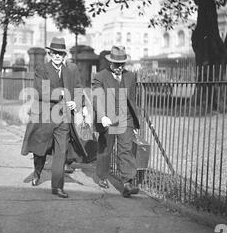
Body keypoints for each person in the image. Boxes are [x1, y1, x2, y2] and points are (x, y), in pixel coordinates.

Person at [21, 37, 85, 198]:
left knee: (61, 152)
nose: (57, 56)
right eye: (54, 53)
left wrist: (75, 103)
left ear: (64, 55)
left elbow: (78, 89)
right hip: (45, 116)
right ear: (50, 53)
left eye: (60, 53)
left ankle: (57, 187)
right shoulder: (42, 69)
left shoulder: (71, 70)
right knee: (40, 150)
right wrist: (62, 93)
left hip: (63, 118)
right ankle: (37, 172)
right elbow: (41, 92)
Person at [92, 46, 140, 198]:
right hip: (107, 119)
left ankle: (127, 183)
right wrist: (102, 116)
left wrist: (133, 123)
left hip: (125, 119)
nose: (119, 67)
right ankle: (102, 176)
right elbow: (97, 98)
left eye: (122, 64)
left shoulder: (131, 76)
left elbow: (131, 100)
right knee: (105, 150)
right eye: (116, 64)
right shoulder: (100, 76)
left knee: (126, 149)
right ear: (110, 63)